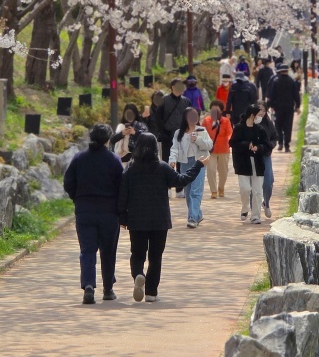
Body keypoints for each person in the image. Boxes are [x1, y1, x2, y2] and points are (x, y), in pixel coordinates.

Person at [118, 133, 208, 302]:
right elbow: (181, 180)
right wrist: (198, 165)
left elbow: (123, 195)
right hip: (159, 220)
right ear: (155, 148)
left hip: (137, 220)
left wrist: (122, 217)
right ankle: (151, 292)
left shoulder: (130, 169)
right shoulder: (162, 167)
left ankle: (138, 274)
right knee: (155, 256)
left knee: (137, 254)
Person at [63, 123, 124, 304]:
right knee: (108, 250)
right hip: (108, 211)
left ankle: (88, 286)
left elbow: (68, 183)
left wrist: (77, 198)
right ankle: (108, 288)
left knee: (87, 250)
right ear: (108, 139)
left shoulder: (79, 158)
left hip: (84, 210)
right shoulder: (113, 160)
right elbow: (121, 186)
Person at [168, 108, 214, 227]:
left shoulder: (202, 130)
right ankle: (197, 214)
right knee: (188, 192)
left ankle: (192, 218)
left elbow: (209, 145)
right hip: (184, 163)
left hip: (199, 162)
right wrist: (172, 160)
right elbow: (174, 148)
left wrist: (197, 139)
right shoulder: (179, 133)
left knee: (195, 191)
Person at [230, 104, 272, 224]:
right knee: (245, 189)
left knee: (258, 191)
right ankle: (245, 208)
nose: (261, 117)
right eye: (258, 115)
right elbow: (232, 143)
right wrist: (246, 145)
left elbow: (267, 144)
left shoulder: (260, 129)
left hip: (258, 163)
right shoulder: (239, 128)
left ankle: (255, 215)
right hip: (243, 163)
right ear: (252, 115)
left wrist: (258, 148)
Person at [267, 61, 301, 152]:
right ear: (287, 71)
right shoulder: (291, 81)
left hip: (278, 107)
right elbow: (296, 94)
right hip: (289, 107)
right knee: (288, 126)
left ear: (280, 71)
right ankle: (287, 145)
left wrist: (271, 105)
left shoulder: (276, 81)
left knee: (278, 125)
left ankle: (280, 142)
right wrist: (297, 106)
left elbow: (272, 94)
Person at [202, 100, 232, 198]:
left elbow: (229, 133)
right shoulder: (206, 121)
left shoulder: (226, 121)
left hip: (223, 149)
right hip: (210, 150)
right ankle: (213, 190)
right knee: (211, 170)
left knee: (223, 171)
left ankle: (221, 188)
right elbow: (202, 133)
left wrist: (229, 140)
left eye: (217, 109)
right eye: (213, 109)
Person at [157, 81, 189, 163]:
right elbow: (158, 118)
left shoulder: (186, 101)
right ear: (173, 87)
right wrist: (163, 132)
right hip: (167, 136)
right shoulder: (164, 101)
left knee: (181, 162)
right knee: (167, 161)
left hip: (182, 136)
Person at [256, 104, 278, 219]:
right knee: (252, 183)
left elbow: (275, 137)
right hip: (253, 157)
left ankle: (266, 203)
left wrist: (271, 145)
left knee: (268, 181)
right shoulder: (249, 123)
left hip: (266, 156)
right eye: (259, 110)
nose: (261, 113)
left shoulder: (269, 124)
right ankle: (253, 208)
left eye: (263, 111)